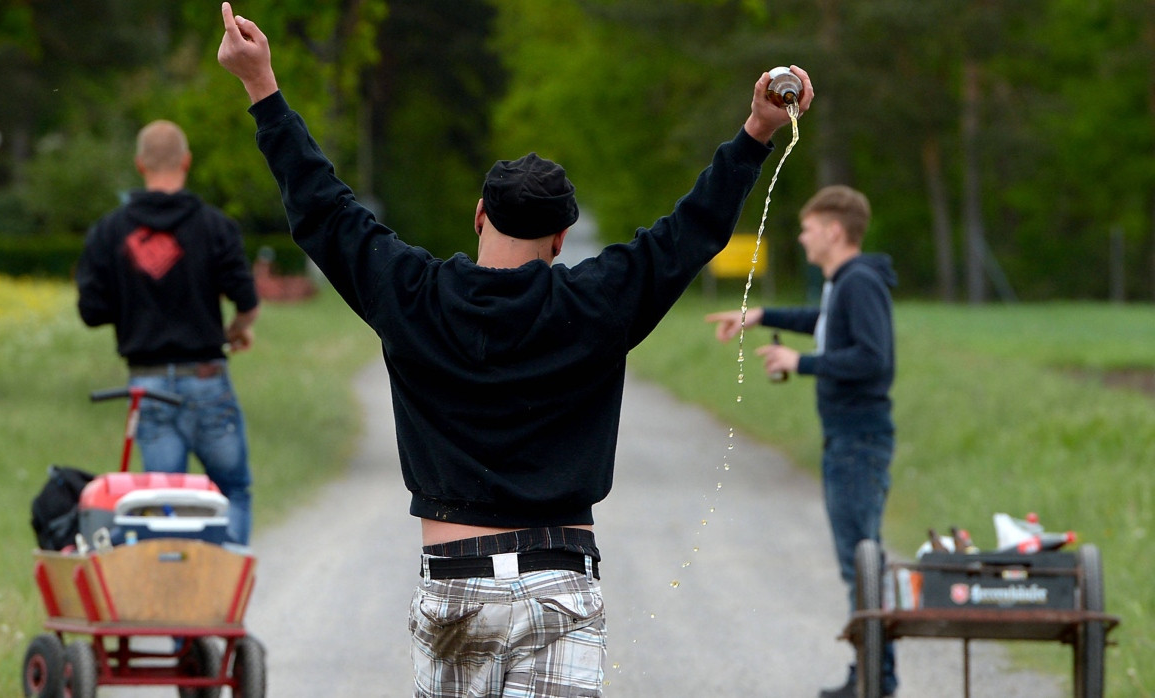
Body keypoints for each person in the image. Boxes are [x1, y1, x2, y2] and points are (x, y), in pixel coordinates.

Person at [218, 3, 810, 695]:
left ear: (479, 216)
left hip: (456, 583)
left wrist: (262, 87)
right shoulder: (597, 301)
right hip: (561, 580)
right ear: (561, 241)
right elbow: (691, 230)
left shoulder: (411, 294)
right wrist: (758, 130)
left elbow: (321, 208)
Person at [705, 185, 898, 697]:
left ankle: (877, 680)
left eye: (809, 227)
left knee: (861, 561)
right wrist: (762, 316)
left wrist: (801, 362)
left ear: (835, 231)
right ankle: (873, 674)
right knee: (859, 561)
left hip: (860, 440)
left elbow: (874, 359)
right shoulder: (845, 282)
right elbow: (827, 325)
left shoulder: (858, 282)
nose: (801, 236)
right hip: (848, 438)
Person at [75, 118, 260, 546]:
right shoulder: (216, 226)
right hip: (208, 381)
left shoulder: (109, 232)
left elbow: (91, 310)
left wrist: (135, 300)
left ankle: (173, 600)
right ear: (187, 162)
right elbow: (248, 301)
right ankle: (223, 597)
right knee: (232, 489)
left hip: (149, 386)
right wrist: (237, 330)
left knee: (163, 506)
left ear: (140, 164)